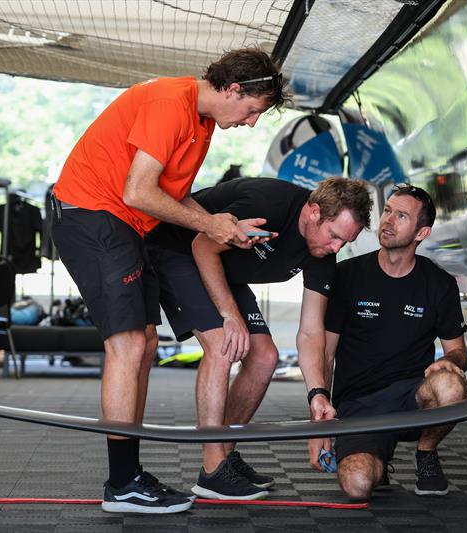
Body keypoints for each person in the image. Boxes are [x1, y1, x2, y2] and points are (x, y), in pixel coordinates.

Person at [50, 47, 291, 514]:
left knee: (143, 340)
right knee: (129, 345)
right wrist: (209, 226)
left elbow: (165, 195)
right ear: (234, 89)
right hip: (92, 216)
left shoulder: (200, 122)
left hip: (122, 223)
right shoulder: (170, 102)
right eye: (252, 110)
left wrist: (222, 223)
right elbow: (137, 191)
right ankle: (122, 484)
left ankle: (128, 476)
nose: (251, 122)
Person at [145, 176, 372, 500]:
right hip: (179, 249)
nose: (336, 248)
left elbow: (310, 331)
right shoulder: (270, 208)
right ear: (313, 211)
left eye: (344, 243)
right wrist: (230, 315)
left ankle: (223, 454)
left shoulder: (323, 254)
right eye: (334, 235)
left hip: (223, 269)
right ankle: (212, 470)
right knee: (224, 344)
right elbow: (203, 245)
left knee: (265, 357)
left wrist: (317, 395)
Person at [307, 184, 467, 500]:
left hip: (412, 398)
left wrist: (452, 363)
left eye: (402, 216)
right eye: (387, 211)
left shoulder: (439, 284)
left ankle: (426, 454)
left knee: (450, 386)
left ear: (421, 233)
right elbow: (325, 352)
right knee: (357, 484)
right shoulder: (347, 276)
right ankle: (378, 462)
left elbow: (457, 349)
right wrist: (320, 421)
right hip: (358, 404)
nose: (388, 221)